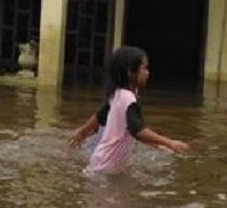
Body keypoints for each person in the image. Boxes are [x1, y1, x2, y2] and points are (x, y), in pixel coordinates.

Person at [68, 46, 190, 174]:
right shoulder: (128, 99)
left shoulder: (118, 94)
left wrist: (82, 132)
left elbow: (101, 117)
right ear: (129, 72)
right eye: (144, 68)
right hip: (106, 169)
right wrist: (169, 142)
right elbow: (139, 131)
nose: (148, 72)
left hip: (102, 163)